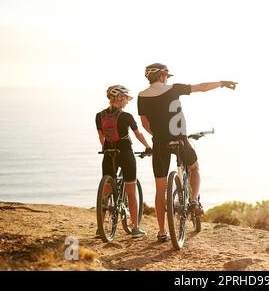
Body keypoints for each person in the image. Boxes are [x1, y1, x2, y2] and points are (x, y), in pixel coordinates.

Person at [137, 63, 237, 242]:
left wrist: (157, 136)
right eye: (166, 76)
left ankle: (162, 232)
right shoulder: (174, 89)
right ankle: (192, 201)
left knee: (160, 189)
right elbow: (202, 88)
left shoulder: (141, 96)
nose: (167, 79)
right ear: (162, 76)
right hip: (180, 139)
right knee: (194, 168)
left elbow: (145, 124)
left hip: (159, 143)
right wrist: (222, 83)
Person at [95, 85, 152, 238]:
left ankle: (101, 227)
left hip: (108, 154)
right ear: (119, 98)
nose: (127, 101)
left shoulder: (99, 115)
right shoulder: (127, 116)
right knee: (131, 191)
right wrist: (148, 147)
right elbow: (138, 133)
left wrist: (107, 149)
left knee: (106, 190)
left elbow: (101, 137)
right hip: (125, 153)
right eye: (126, 98)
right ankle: (135, 228)